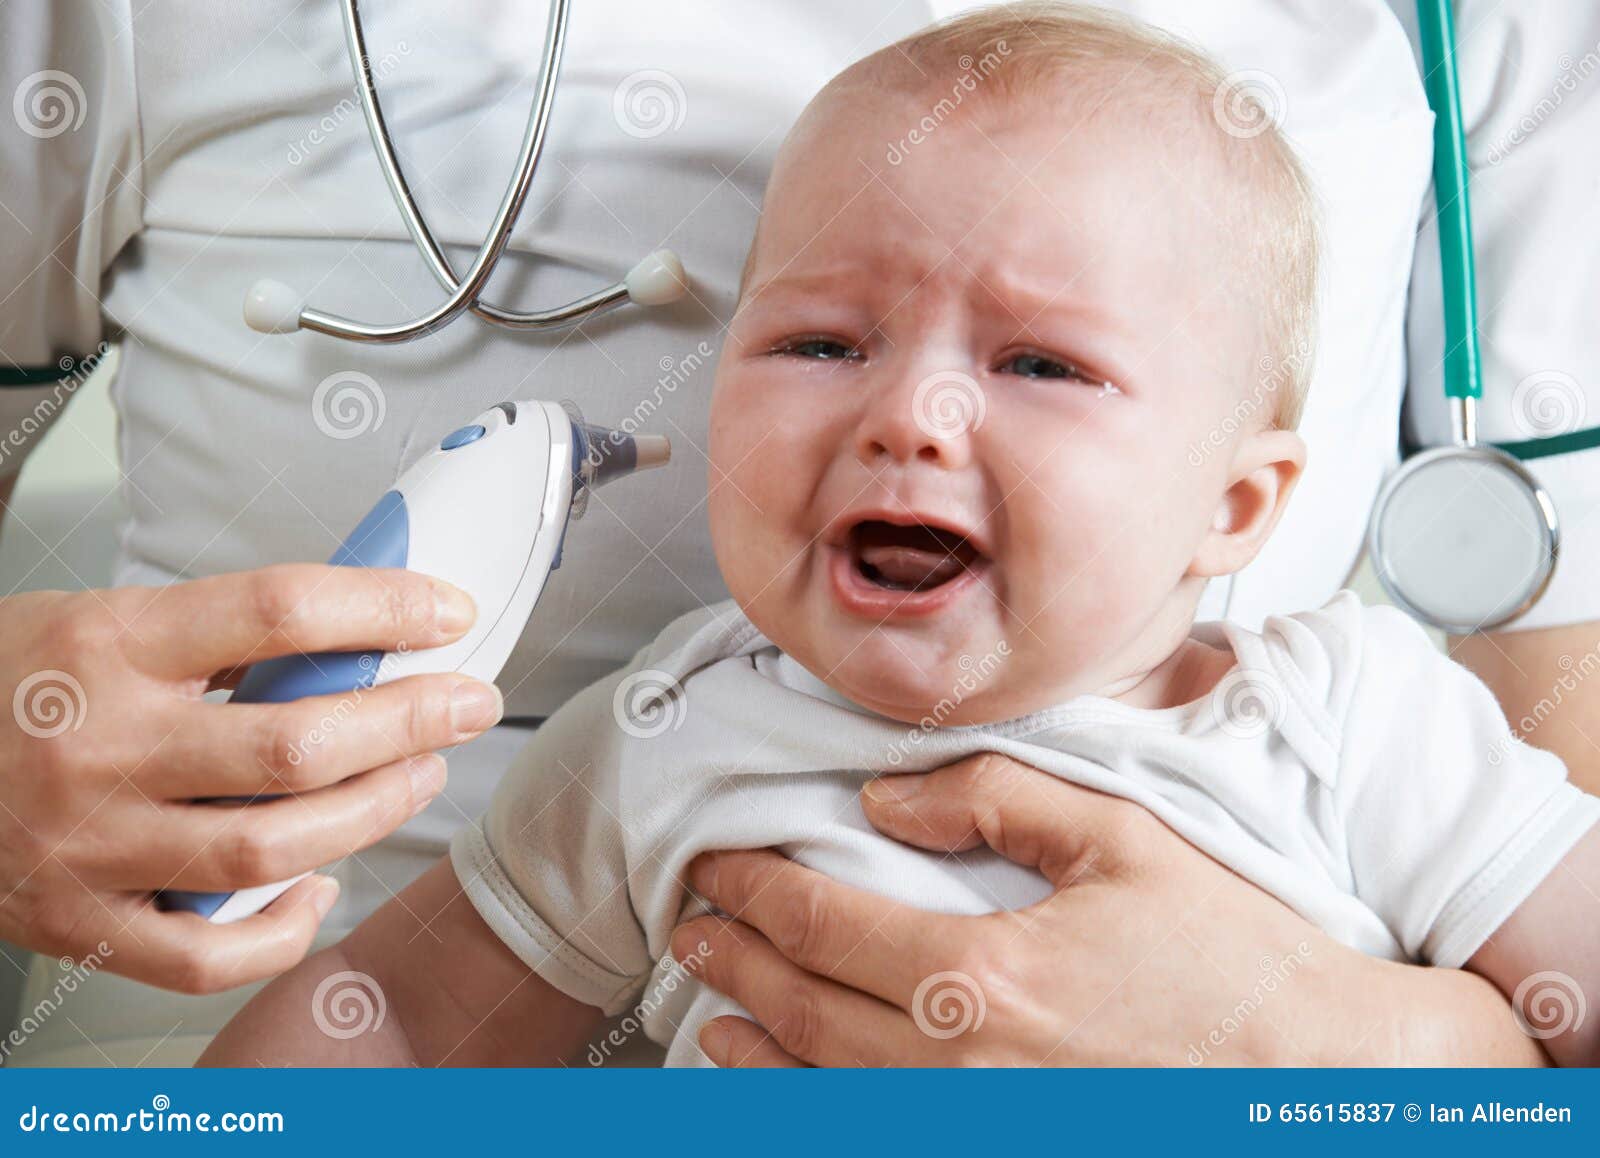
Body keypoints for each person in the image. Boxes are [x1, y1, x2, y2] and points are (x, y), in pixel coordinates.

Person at [1, 0, 1597, 1065]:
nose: (910, 417)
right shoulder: (670, 730)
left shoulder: (1354, 719)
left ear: (1240, 508)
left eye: (1041, 365)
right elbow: (401, 1026)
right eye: (821, 344)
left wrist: (1375, 1062)